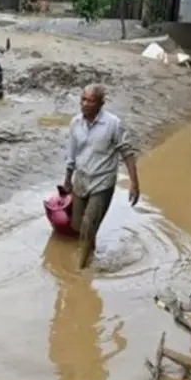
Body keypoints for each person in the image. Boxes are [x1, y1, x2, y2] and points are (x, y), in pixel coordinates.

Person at [63, 83, 140, 269]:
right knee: (78, 226)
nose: (85, 104)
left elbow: (127, 153)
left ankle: (81, 269)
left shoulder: (113, 124)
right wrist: (67, 178)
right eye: (83, 99)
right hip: (81, 179)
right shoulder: (75, 123)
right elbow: (72, 154)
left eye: (90, 101)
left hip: (102, 182)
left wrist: (134, 183)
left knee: (89, 225)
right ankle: (91, 250)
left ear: (100, 104)